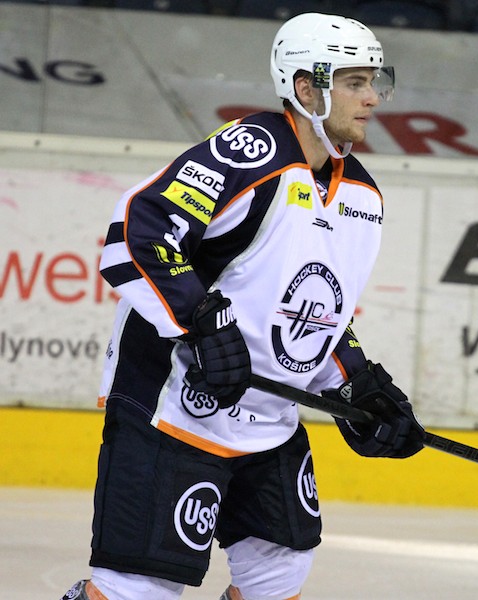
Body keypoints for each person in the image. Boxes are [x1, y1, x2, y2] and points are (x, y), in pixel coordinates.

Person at [62, 12, 424, 600]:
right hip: (174, 406)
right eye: (354, 83)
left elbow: (315, 313)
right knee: (140, 588)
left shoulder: (363, 196)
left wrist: (359, 388)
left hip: (269, 421)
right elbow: (139, 234)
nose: (372, 98)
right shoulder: (249, 152)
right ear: (306, 88)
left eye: (374, 82)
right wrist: (201, 323)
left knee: (280, 577)